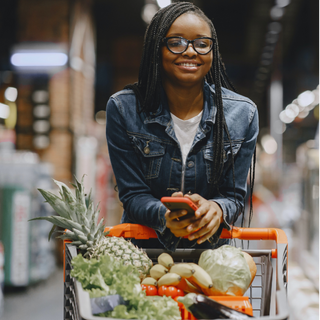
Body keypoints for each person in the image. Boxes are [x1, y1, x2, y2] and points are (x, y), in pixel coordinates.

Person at [106, 2, 259, 251]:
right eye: (176, 42)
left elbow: (234, 196)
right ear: (157, 49)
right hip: (143, 256)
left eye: (201, 43)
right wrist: (164, 216)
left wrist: (217, 209)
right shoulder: (124, 109)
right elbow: (133, 195)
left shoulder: (242, 114)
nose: (190, 51)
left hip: (213, 259)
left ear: (213, 51)